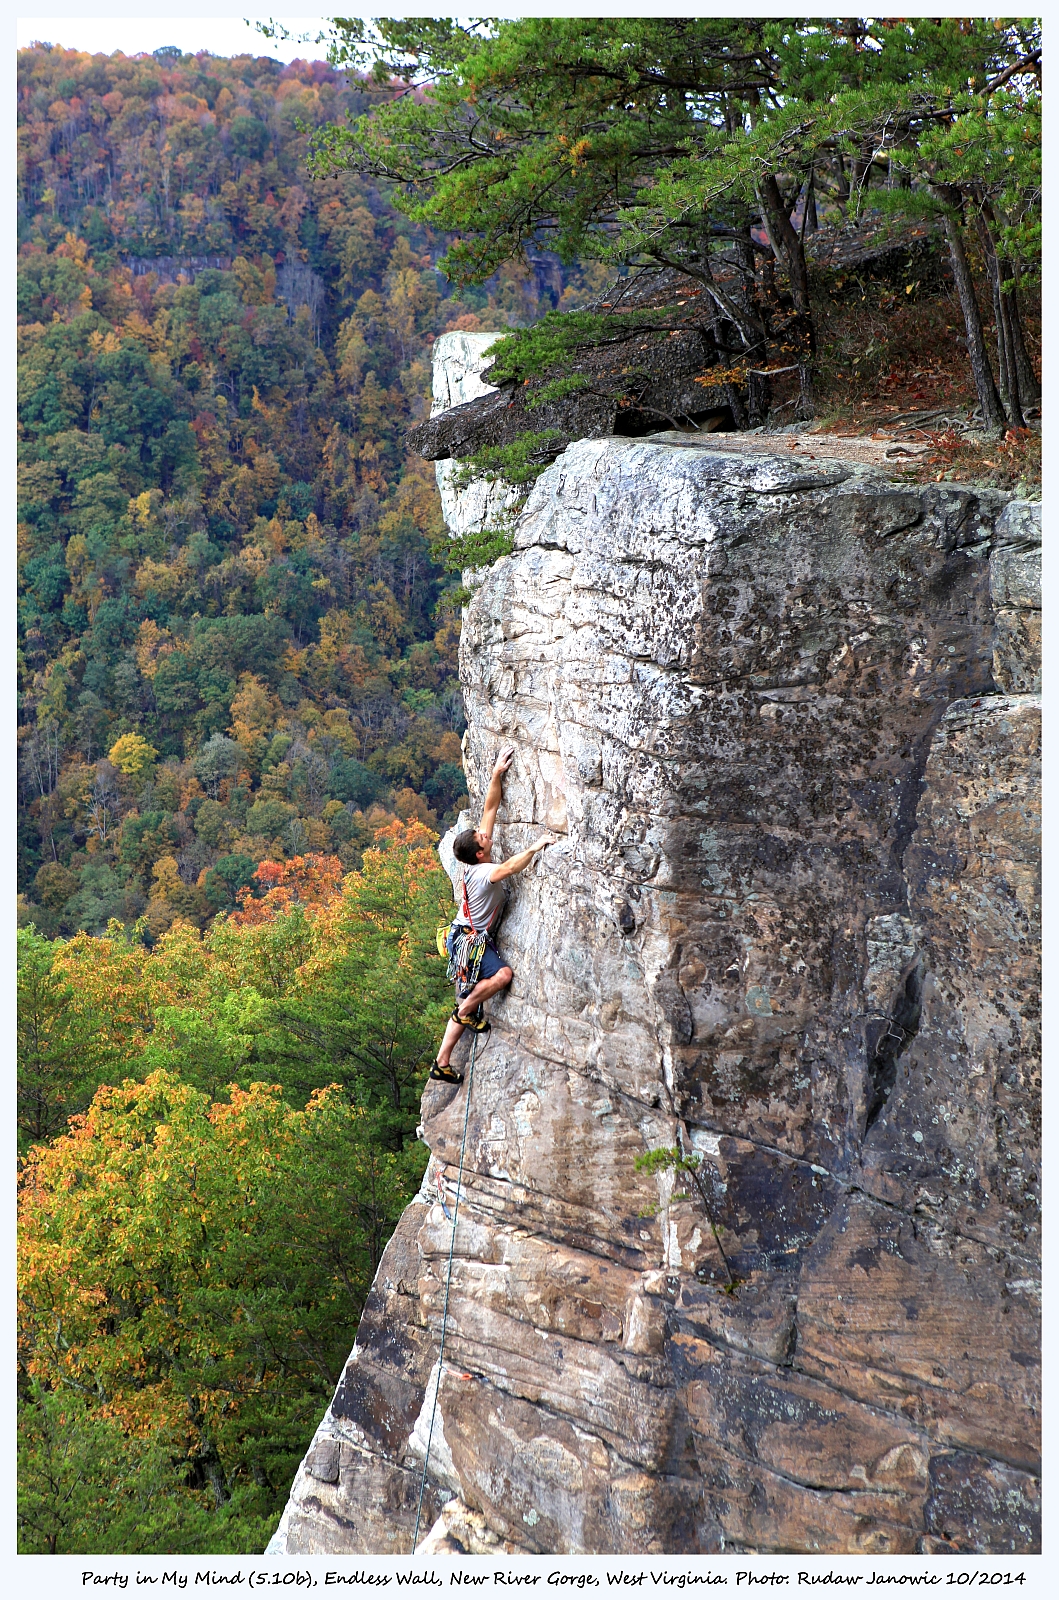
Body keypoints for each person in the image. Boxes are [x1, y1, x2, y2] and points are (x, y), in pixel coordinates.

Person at [431, 744, 555, 1083]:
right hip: (469, 942)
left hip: (463, 937)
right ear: (480, 852)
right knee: (500, 979)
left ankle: (442, 1062)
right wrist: (535, 846)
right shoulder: (484, 872)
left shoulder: (475, 858)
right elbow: (512, 866)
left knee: (467, 1006)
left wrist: (496, 774)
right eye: (483, 838)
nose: (486, 833)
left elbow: (490, 806)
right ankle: (467, 1009)